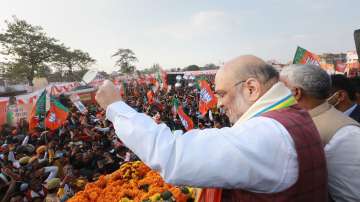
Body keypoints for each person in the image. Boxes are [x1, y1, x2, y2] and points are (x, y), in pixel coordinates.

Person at [96, 55, 327, 202]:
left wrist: (116, 108)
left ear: (251, 89)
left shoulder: (268, 133)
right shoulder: (289, 117)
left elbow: (174, 155)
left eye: (222, 94)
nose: (218, 104)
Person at [281, 64, 360, 202]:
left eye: (280, 89)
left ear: (296, 93)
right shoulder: (296, 124)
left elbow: (352, 195)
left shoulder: (345, 134)